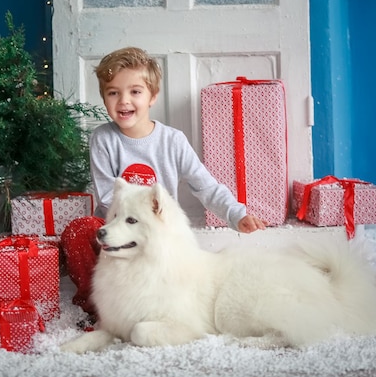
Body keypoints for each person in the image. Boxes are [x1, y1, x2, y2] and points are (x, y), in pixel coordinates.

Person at [61, 46, 266, 321]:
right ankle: (98, 308)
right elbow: (109, 197)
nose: (124, 101)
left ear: (152, 96)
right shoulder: (103, 139)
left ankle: (158, 303)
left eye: (135, 91)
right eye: (113, 92)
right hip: (117, 229)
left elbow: (205, 185)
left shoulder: (172, 140)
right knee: (79, 230)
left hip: (153, 233)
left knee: (169, 245)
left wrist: (235, 213)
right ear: (104, 97)